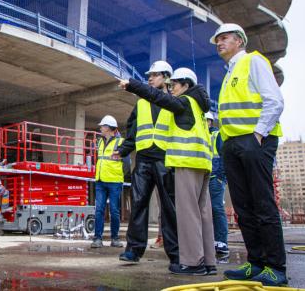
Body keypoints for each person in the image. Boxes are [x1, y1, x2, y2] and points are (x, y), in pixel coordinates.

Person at [119, 68, 216, 276]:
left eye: (173, 84)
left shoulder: (179, 102)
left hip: (175, 160)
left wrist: (133, 85)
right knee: (196, 213)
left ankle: (187, 259)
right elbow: (133, 129)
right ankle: (205, 262)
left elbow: (158, 97)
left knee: (181, 211)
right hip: (165, 160)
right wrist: (124, 150)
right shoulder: (193, 105)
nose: (171, 88)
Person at [211, 23, 286, 286]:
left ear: (239, 41)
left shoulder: (253, 62)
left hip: (255, 141)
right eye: (217, 39)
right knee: (243, 207)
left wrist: (258, 134)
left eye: (224, 38)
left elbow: (274, 101)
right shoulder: (230, 72)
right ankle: (256, 263)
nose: (219, 43)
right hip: (233, 145)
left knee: (262, 204)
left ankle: (275, 266)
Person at [118, 61, 179, 266]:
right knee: (138, 204)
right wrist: (123, 151)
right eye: (149, 75)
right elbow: (132, 130)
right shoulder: (141, 103)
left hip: (165, 159)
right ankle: (133, 250)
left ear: (166, 78)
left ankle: (176, 254)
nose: (150, 78)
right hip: (143, 159)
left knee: (169, 208)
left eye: (154, 75)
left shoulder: (174, 101)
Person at [91, 115, 127, 248]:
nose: (100, 128)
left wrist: (119, 175)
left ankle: (115, 238)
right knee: (99, 210)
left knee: (114, 211)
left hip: (114, 181)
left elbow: (127, 164)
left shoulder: (121, 142)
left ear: (108, 128)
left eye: (102, 126)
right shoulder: (99, 142)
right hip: (100, 181)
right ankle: (97, 238)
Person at [206, 111, 229, 262]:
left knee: (216, 209)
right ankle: (209, 241)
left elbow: (224, 155)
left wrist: (221, 177)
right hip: (203, 178)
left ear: (209, 122)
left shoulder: (216, 134)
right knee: (205, 211)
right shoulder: (199, 135)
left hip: (215, 178)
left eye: (205, 121)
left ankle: (221, 242)